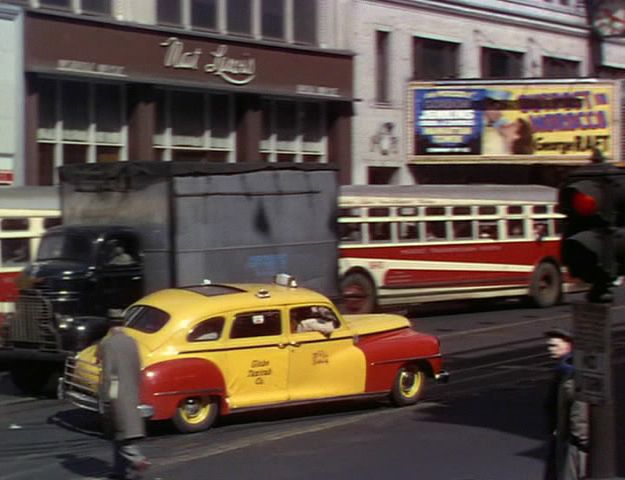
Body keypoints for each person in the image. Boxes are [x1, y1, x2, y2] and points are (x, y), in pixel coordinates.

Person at [98, 327, 150, 480]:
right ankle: (119, 471)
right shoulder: (132, 342)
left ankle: (138, 460)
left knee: (122, 433)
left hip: (117, 393)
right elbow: (138, 365)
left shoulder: (108, 343)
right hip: (131, 390)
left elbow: (108, 373)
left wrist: (107, 396)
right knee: (118, 435)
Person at [543, 329, 588, 480]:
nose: (550, 349)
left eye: (555, 346)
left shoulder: (569, 371)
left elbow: (578, 407)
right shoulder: (562, 369)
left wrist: (580, 437)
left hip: (571, 440)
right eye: (549, 346)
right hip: (562, 434)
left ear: (568, 345)